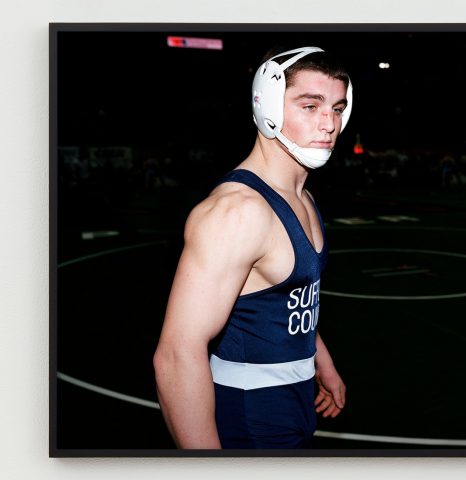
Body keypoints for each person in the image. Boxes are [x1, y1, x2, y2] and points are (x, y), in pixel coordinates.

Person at [153, 46, 352, 449]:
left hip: (294, 404)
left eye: (337, 107)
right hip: (249, 419)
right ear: (268, 108)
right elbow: (176, 354)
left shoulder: (303, 197)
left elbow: (286, 296)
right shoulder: (237, 212)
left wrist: (322, 362)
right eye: (310, 106)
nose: (328, 123)